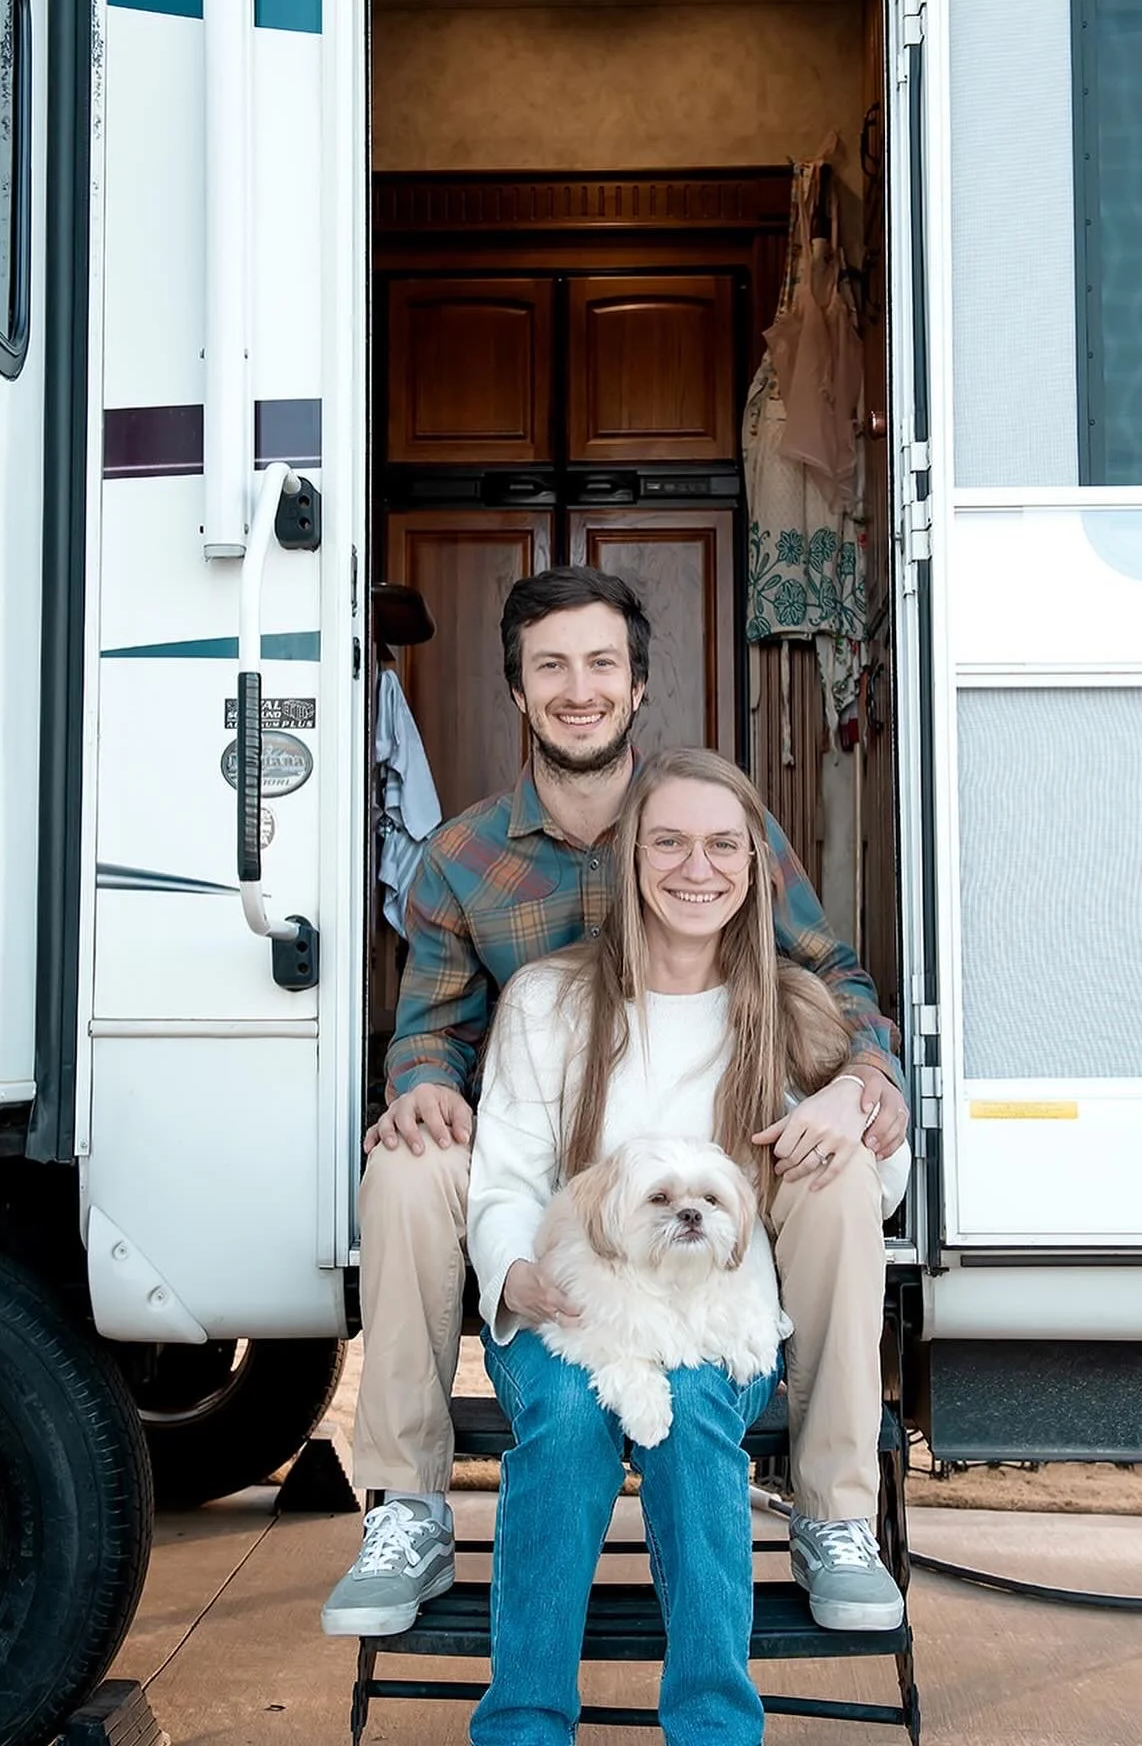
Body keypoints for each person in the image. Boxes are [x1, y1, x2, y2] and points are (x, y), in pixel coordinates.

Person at [320, 565, 909, 1638]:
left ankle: (833, 1514)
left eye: (602, 664)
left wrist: (870, 1080)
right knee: (405, 1171)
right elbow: (430, 1032)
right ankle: (406, 1503)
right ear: (518, 692)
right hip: (535, 1159)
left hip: (710, 1160)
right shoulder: (463, 859)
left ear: (640, 687)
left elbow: (830, 976)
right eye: (552, 667)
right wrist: (417, 1093)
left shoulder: (709, 825)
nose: (578, 688)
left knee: (839, 1181)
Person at [466, 746, 907, 1745]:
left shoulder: (789, 1008)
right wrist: (517, 1275)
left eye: (721, 846)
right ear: (629, 859)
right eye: (667, 842)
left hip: (715, 1311)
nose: (694, 868)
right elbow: (502, 1177)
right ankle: (524, 1721)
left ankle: (713, 1722)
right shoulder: (547, 999)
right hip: (573, 1307)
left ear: (754, 868)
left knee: (698, 1412)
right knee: (574, 1420)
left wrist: (854, 1095)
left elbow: (879, 1183)